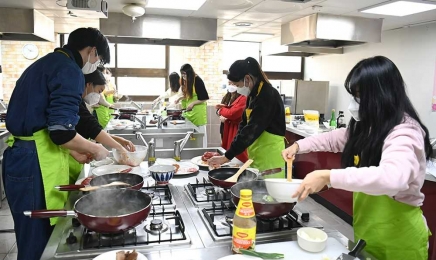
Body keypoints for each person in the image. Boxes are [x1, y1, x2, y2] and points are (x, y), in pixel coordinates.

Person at [282, 56, 433, 260]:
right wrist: (299, 145)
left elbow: (392, 178)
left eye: (359, 96)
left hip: (400, 240)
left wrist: (328, 176)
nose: (354, 103)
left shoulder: (405, 132)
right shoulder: (371, 125)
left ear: (381, 95)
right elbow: (336, 138)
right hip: (368, 231)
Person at [3, 27, 111, 260]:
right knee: (36, 241)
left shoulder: (50, 63)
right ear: (92, 51)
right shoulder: (69, 70)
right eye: (99, 59)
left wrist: (73, 151)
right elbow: (61, 132)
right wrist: (96, 149)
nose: (95, 64)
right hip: (32, 162)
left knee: (34, 235)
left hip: (25, 157)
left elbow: (48, 121)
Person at [208, 57, 285, 177]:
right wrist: (230, 152)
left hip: (271, 159)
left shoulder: (267, 95)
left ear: (247, 78)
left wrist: (227, 156)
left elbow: (251, 130)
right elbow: (243, 125)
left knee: (269, 194)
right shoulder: (252, 95)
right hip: (257, 155)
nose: (237, 89)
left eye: (237, 85)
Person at [68, 69, 136, 184]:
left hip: (75, 158)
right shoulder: (74, 101)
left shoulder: (80, 101)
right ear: (89, 84)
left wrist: (119, 140)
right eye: (99, 91)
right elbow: (93, 129)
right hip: (66, 162)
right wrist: (120, 148)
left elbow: (92, 128)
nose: (99, 96)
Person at [177, 64, 209, 147]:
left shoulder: (197, 80)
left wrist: (193, 103)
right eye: (182, 74)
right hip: (190, 113)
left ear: (190, 73)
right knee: (192, 139)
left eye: (185, 74)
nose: (183, 76)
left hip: (198, 114)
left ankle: (202, 153)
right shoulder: (187, 81)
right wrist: (180, 98)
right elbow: (189, 95)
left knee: (200, 137)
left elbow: (205, 97)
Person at [216, 84, 248, 163]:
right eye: (229, 83)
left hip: (236, 128)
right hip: (226, 126)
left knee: (237, 154)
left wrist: (222, 111)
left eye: (233, 83)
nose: (231, 85)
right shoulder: (227, 97)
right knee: (227, 148)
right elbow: (222, 110)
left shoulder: (243, 98)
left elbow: (232, 113)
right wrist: (221, 112)